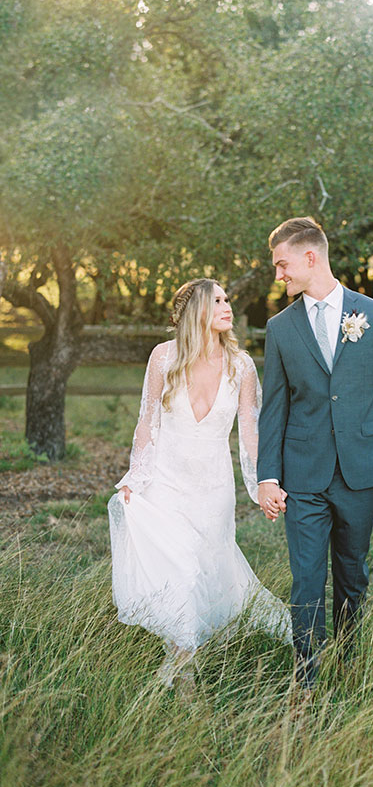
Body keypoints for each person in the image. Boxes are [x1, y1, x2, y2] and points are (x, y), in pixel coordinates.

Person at [257, 217, 373, 689]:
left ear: (310, 257)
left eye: (282, 265)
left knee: (352, 574)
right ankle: (306, 678)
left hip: (361, 471)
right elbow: (274, 408)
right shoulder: (279, 328)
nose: (279, 275)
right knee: (305, 581)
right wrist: (268, 477)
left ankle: (349, 662)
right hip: (302, 473)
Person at [108, 278, 290, 688]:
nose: (228, 306)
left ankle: (176, 665)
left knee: (207, 569)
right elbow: (147, 422)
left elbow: (251, 433)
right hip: (166, 483)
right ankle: (181, 670)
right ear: (196, 311)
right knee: (182, 571)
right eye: (218, 300)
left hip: (213, 489)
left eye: (228, 299)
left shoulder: (241, 365)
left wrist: (264, 482)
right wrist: (136, 476)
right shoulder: (163, 357)